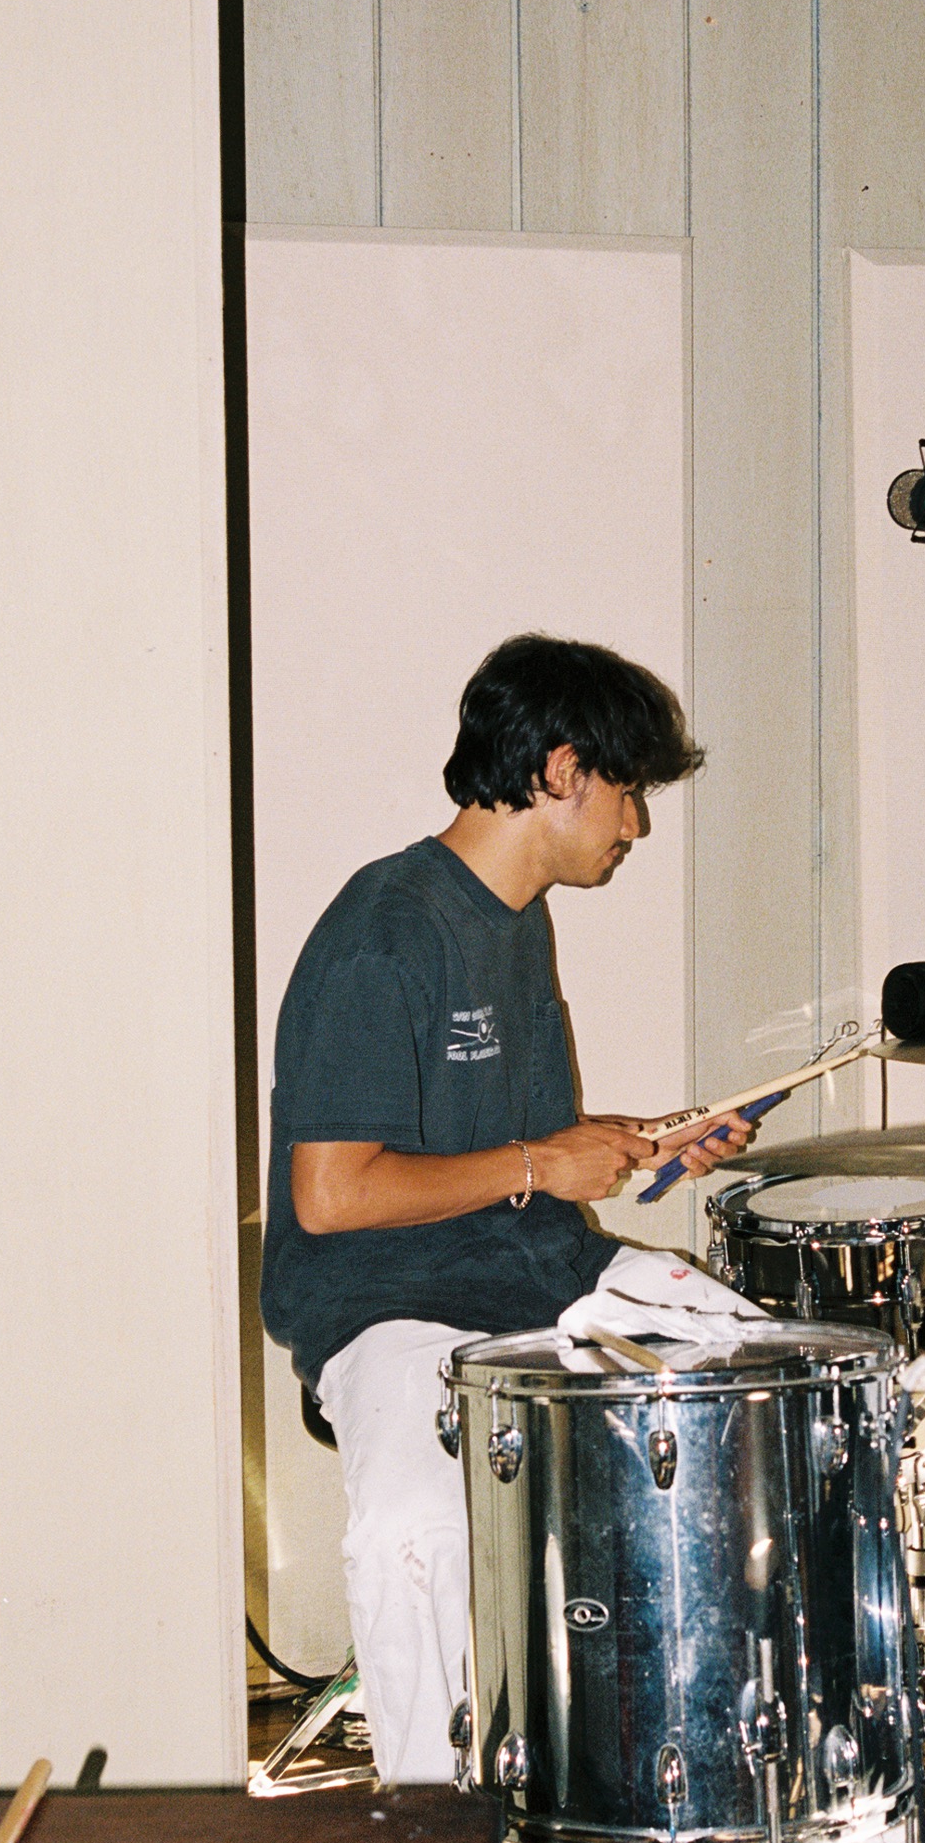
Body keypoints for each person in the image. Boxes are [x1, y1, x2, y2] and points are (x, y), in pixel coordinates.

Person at [260, 634, 754, 1785]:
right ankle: (429, 1834)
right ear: (562, 769)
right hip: (389, 1303)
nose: (635, 824)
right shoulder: (383, 929)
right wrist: (541, 1159)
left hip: (534, 1273)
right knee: (418, 1535)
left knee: (772, 1386)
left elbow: (506, 1149)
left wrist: (636, 1141)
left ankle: (715, 1780)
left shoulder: (518, 919)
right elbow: (331, 1194)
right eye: (628, 790)